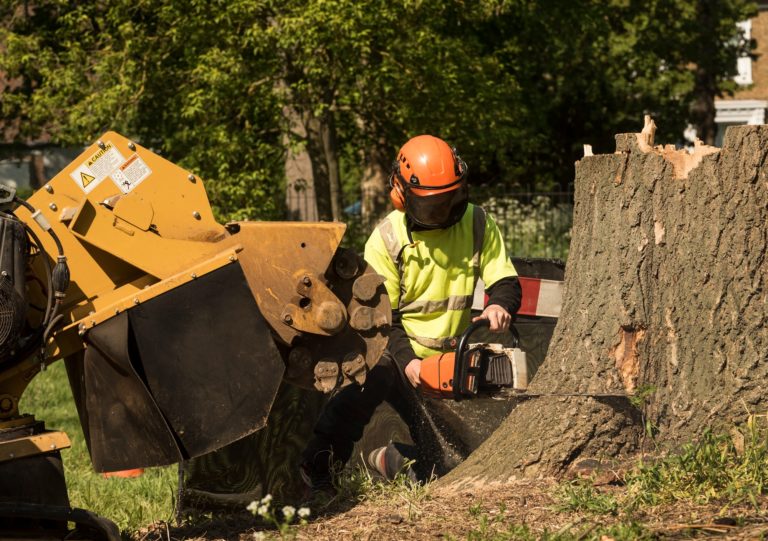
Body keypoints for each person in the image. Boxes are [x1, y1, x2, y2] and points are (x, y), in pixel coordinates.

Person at [300, 134, 522, 493]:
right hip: (398, 356)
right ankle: (319, 463)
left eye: (452, 199)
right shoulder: (387, 238)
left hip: (450, 361)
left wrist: (499, 304)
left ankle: (394, 461)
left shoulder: (478, 222)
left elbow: (505, 281)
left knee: (451, 465)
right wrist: (409, 363)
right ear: (401, 196)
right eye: (433, 205)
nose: (445, 211)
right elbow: (382, 321)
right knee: (369, 375)